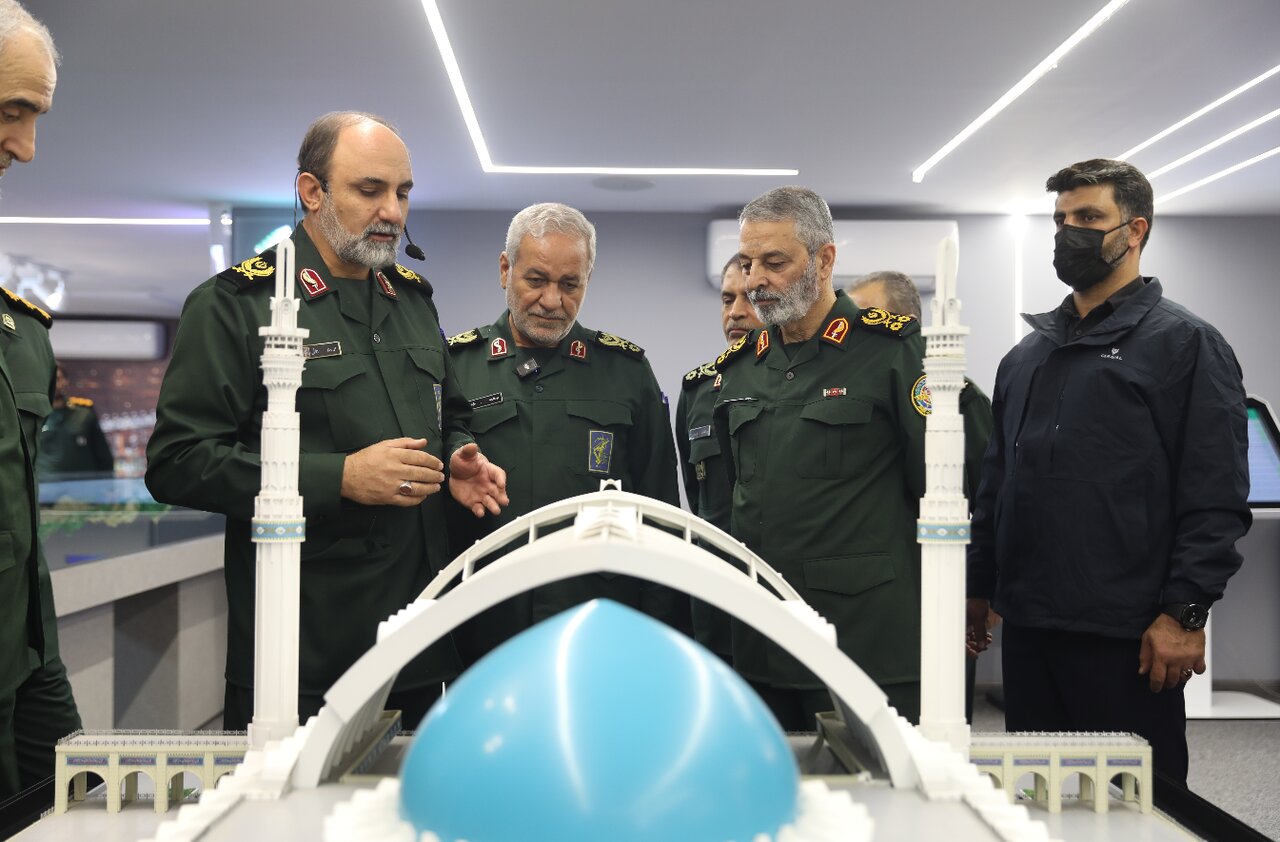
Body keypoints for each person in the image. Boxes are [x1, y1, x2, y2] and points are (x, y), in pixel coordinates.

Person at [146, 112, 508, 731]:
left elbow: (450, 412)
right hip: (305, 654)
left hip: (419, 641)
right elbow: (177, 463)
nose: (392, 211)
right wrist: (339, 477)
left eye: (402, 192)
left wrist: (458, 456)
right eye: (370, 190)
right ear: (312, 192)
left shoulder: (411, 300)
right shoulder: (236, 305)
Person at [966, 159, 1251, 784]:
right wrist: (977, 584)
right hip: (1030, 625)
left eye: (1089, 217)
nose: (1069, 232)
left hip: (1129, 634)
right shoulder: (1027, 356)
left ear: (1135, 230)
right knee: (1039, 800)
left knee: (1137, 806)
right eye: (1060, 219)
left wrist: (1186, 614)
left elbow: (1216, 495)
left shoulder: (1186, 344)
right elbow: (996, 483)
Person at [713, 186, 930, 729]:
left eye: (775, 262)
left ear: (825, 259)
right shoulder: (739, 369)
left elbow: (943, 488)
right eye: (748, 263)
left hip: (863, 644)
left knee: (874, 785)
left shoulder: (891, 353)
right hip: (762, 643)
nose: (755, 280)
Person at [445, 202, 681, 664]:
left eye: (570, 285)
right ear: (505, 270)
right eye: (536, 280)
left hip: (600, 624)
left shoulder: (626, 372)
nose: (552, 301)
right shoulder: (454, 366)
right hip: (483, 622)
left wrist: (657, 637)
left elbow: (660, 515)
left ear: (587, 280)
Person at [848, 269, 994, 721]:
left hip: (940, 596)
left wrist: (980, 594)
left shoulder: (960, 402)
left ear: (905, 325)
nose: (856, 329)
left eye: (868, 317)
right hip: (873, 603)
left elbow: (984, 505)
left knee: (938, 727)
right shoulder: (853, 396)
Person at [0, 0, 82, 799]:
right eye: (9, 112)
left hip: (26, 664)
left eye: (33, 118)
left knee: (79, 805)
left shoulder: (20, 333)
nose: (25, 148)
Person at [675, 254, 762, 660]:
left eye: (750, 299)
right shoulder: (697, 392)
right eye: (728, 300)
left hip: (780, 588)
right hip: (718, 594)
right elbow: (698, 498)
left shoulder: (805, 385)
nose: (736, 312)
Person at [36, 363, 115, 479]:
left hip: (82, 484)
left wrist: (107, 483)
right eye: (48, 380)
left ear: (66, 381)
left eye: (57, 379)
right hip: (46, 485)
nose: (53, 384)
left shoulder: (84, 412)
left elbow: (103, 454)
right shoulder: (35, 415)